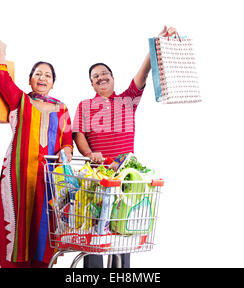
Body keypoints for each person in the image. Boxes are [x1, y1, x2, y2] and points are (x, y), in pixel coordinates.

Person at [73, 26, 177, 268]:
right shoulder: (85, 105)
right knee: (96, 233)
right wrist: (90, 154)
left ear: (112, 77)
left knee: (123, 231)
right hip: (98, 177)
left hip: (125, 177)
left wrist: (156, 44)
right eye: (95, 76)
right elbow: (78, 135)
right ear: (92, 84)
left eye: (104, 73)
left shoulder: (127, 100)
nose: (101, 77)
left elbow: (143, 73)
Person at [0, 39, 73, 268]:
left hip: (49, 179)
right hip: (18, 177)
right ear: (30, 80)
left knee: (43, 232)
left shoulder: (62, 108)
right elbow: (0, 78)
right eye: (38, 74)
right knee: (17, 229)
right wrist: (3, 50)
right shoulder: (21, 100)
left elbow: (67, 142)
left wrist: (66, 153)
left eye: (47, 75)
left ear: (53, 83)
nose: (42, 78)